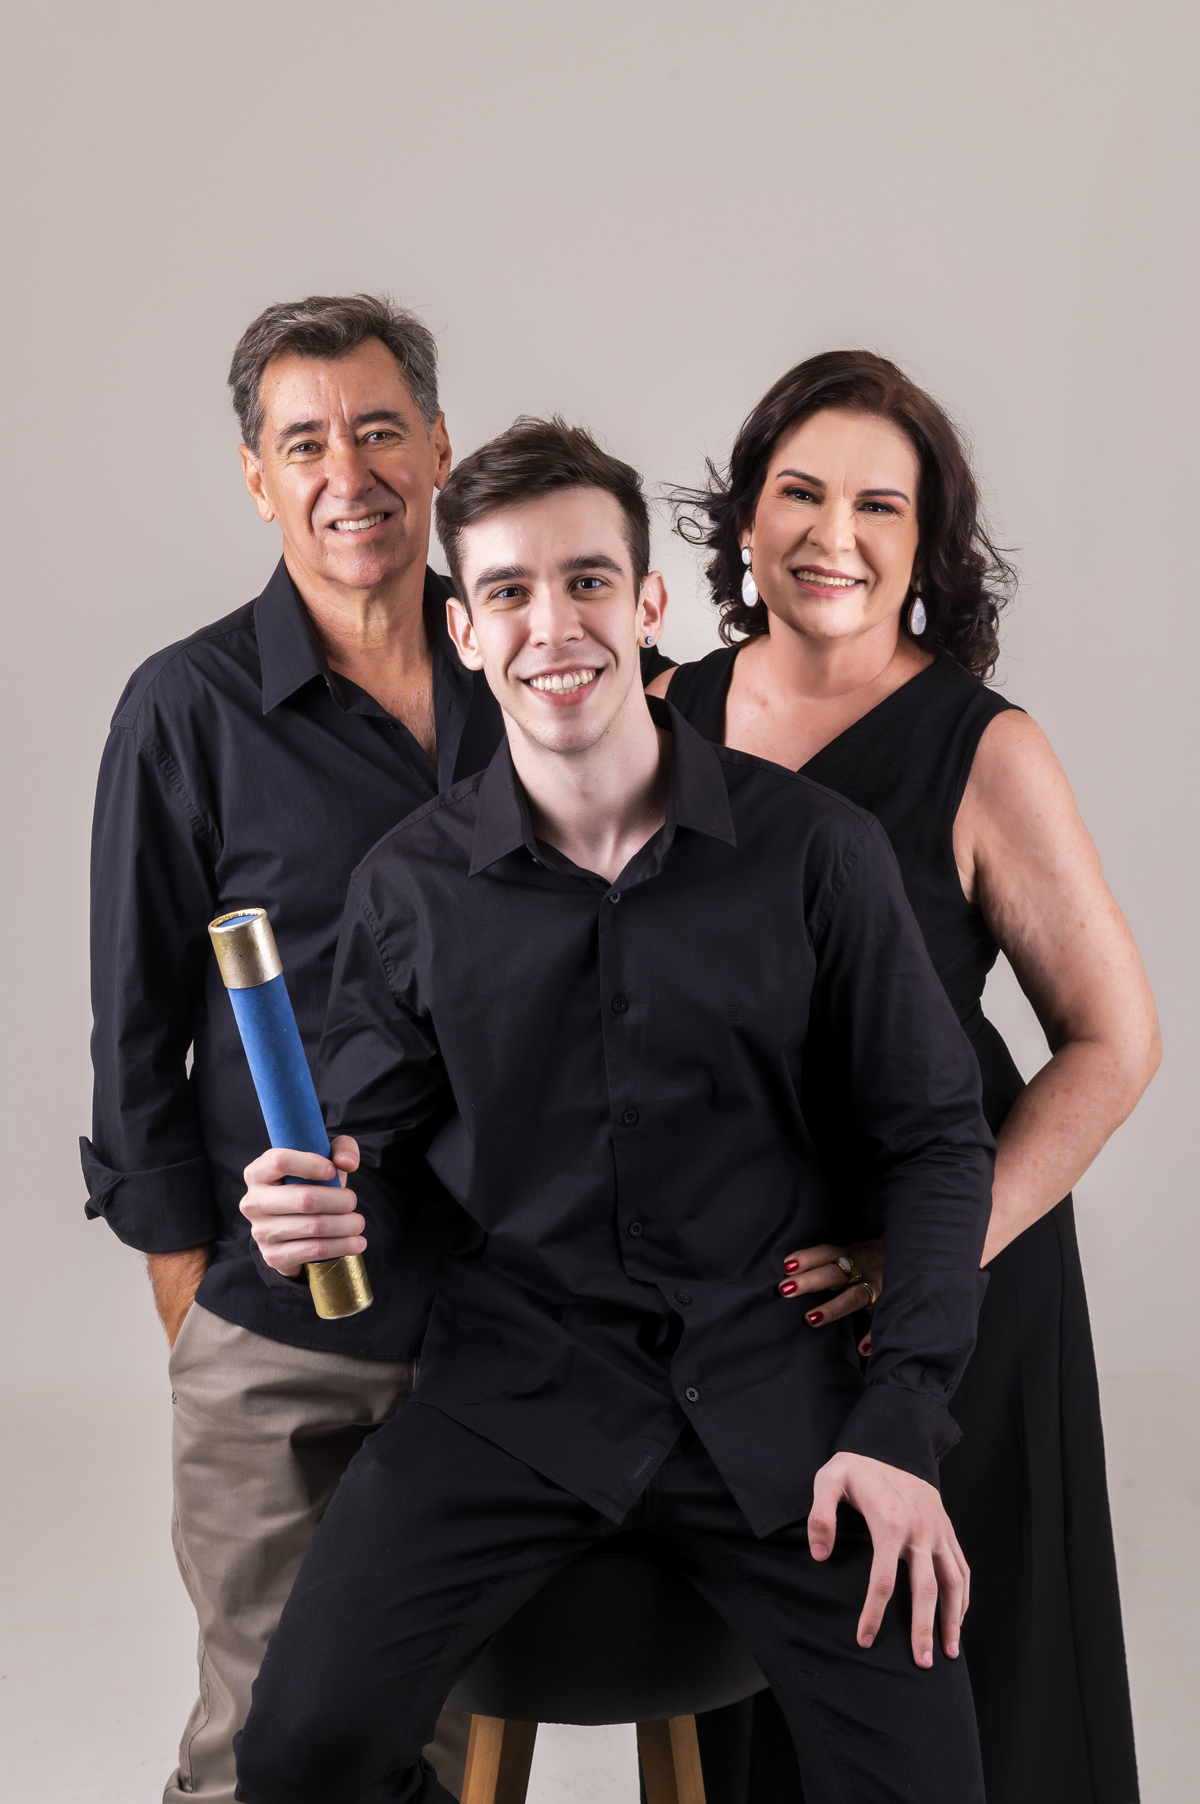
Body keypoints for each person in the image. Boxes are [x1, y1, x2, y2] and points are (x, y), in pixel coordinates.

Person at [233, 417, 996, 1804]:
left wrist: (900, 1424)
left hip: (782, 1403)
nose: (553, 626)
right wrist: (320, 1216)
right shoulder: (408, 888)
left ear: (647, 605)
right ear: (465, 630)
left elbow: (937, 1139)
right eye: (509, 591)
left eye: (587, 581)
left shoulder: (817, 852)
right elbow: (376, 1171)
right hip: (513, 1396)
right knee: (295, 1760)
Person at [650, 350, 1160, 1804]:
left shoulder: (984, 749)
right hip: (747, 1294)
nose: (836, 535)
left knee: (970, 1686)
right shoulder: (655, 713)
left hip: (957, 1273)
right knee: (763, 1690)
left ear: (929, 542)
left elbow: (1116, 1040)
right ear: (746, 518)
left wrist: (926, 1257)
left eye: (881, 505)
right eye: (800, 492)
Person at [80, 293, 510, 1804]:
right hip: (277, 1331)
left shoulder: (531, 673)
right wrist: (201, 1308)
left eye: (380, 430)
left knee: (433, 1749)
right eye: (305, 442)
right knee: (263, 1753)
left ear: (440, 448)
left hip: (495, 1328)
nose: (349, 473)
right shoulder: (185, 710)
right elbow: (136, 1037)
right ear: (258, 479)